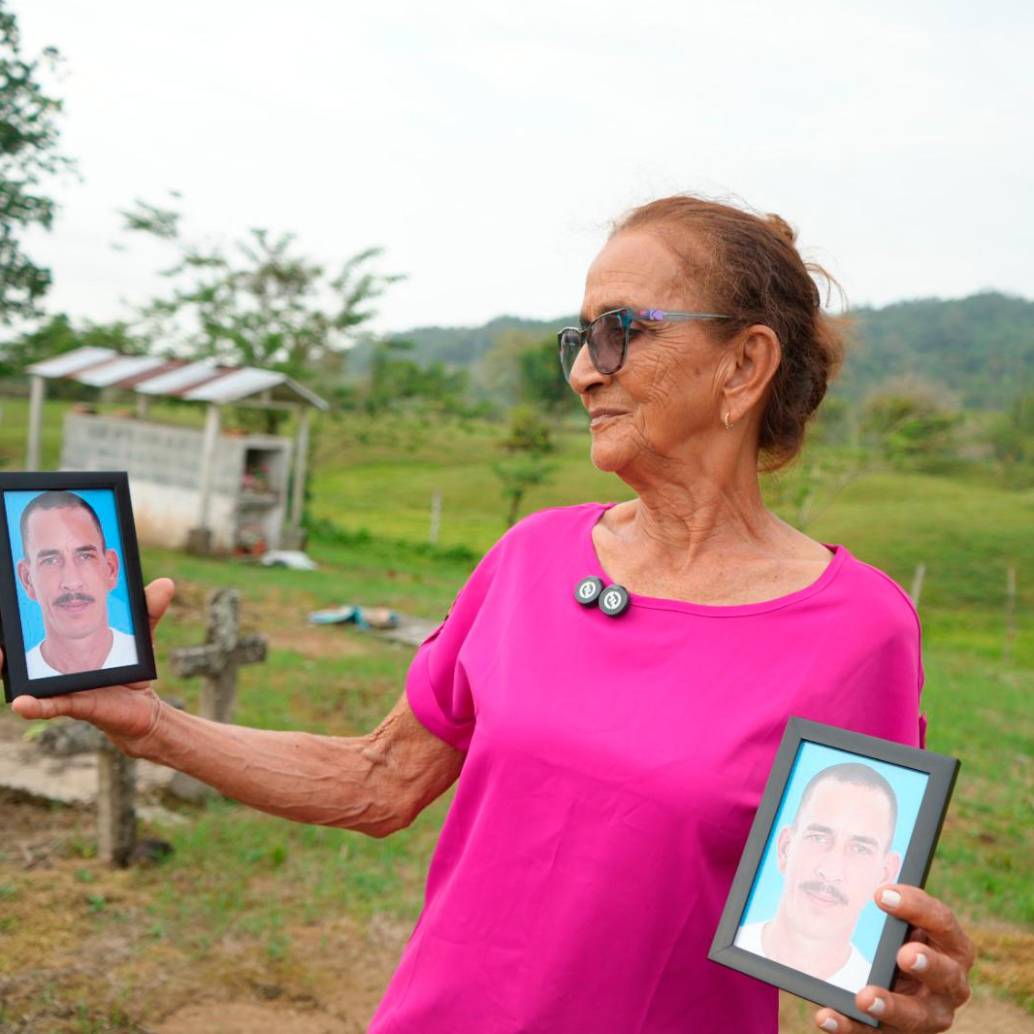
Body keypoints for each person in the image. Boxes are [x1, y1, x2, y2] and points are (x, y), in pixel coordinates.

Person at [8, 195, 975, 1034]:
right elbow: (379, 781)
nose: (584, 371)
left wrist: (898, 995)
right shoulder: (531, 558)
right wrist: (152, 725)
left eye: (620, 330)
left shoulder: (856, 630)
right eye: (579, 338)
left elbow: (843, 940)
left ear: (743, 364)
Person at [735, 762, 902, 992]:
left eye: (860, 849)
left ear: (885, 875)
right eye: (818, 838)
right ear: (785, 848)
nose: (831, 871)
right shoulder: (721, 947)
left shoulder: (877, 994)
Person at [16, 491, 137, 678]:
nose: (72, 583)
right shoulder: (22, 672)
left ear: (111, 569)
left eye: (85, 556)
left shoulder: (136, 655)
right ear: (27, 580)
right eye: (50, 560)